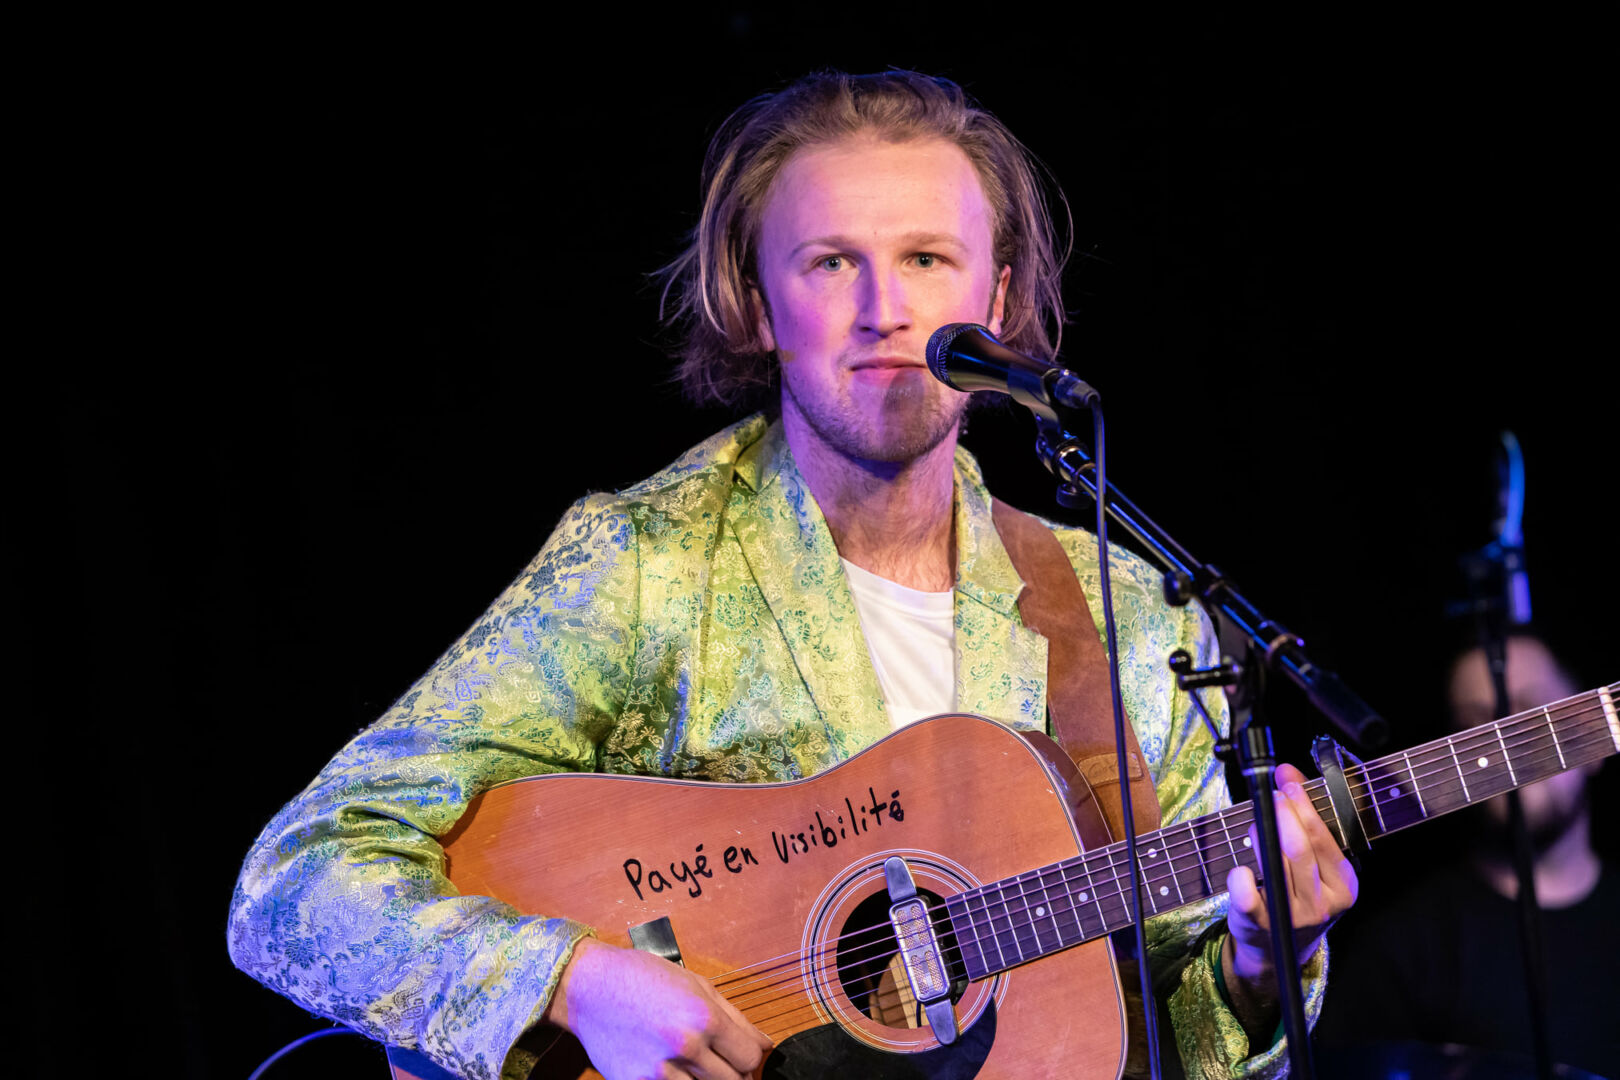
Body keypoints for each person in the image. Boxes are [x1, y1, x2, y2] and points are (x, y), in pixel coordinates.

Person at [228, 71, 1357, 1080]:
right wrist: (573, 981)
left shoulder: (1122, 616)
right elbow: (293, 885)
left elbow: (1158, 1039)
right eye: (832, 264)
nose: (885, 309)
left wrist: (1269, 962)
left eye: (927, 258)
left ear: (999, 301)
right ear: (760, 308)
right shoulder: (647, 566)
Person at [1315, 634, 1616, 1076]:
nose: (1506, 742)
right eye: (1476, 726)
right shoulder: (1403, 946)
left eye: (1533, 715)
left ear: (1592, 733)